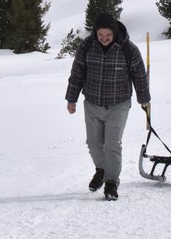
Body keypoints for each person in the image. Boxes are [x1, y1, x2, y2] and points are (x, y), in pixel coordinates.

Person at [65, 13, 151, 201]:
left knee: (112, 144)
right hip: (92, 103)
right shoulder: (86, 47)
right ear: (95, 33)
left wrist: (143, 98)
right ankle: (102, 170)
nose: (104, 39)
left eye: (108, 36)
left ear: (114, 33)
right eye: (100, 35)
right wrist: (71, 99)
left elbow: (139, 75)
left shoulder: (128, 49)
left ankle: (112, 182)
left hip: (118, 104)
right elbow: (77, 73)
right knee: (93, 144)